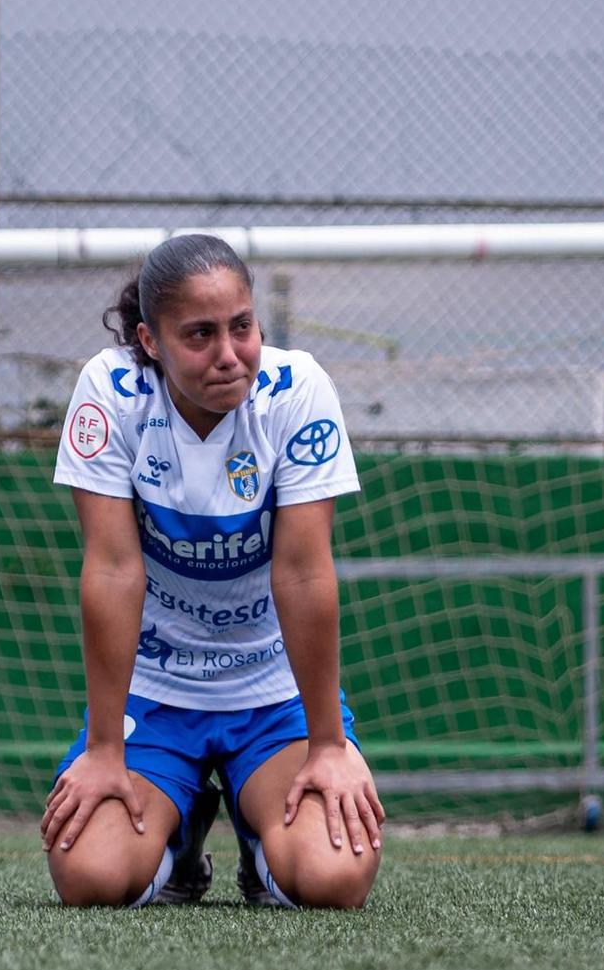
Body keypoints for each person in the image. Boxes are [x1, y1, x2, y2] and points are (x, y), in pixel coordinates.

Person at [43, 233, 384, 909]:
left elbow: (304, 574)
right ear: (150, 340)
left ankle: (263, 850)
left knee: (333, 878)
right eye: (199, 335)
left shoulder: (297, 391)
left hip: (271, 694)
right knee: (91, 877)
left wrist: (327, 745)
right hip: (158, 692)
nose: (229, 355)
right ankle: (183, 830)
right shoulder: (110, 392)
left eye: (242, 327)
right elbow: (113, 570)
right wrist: (105, 750)